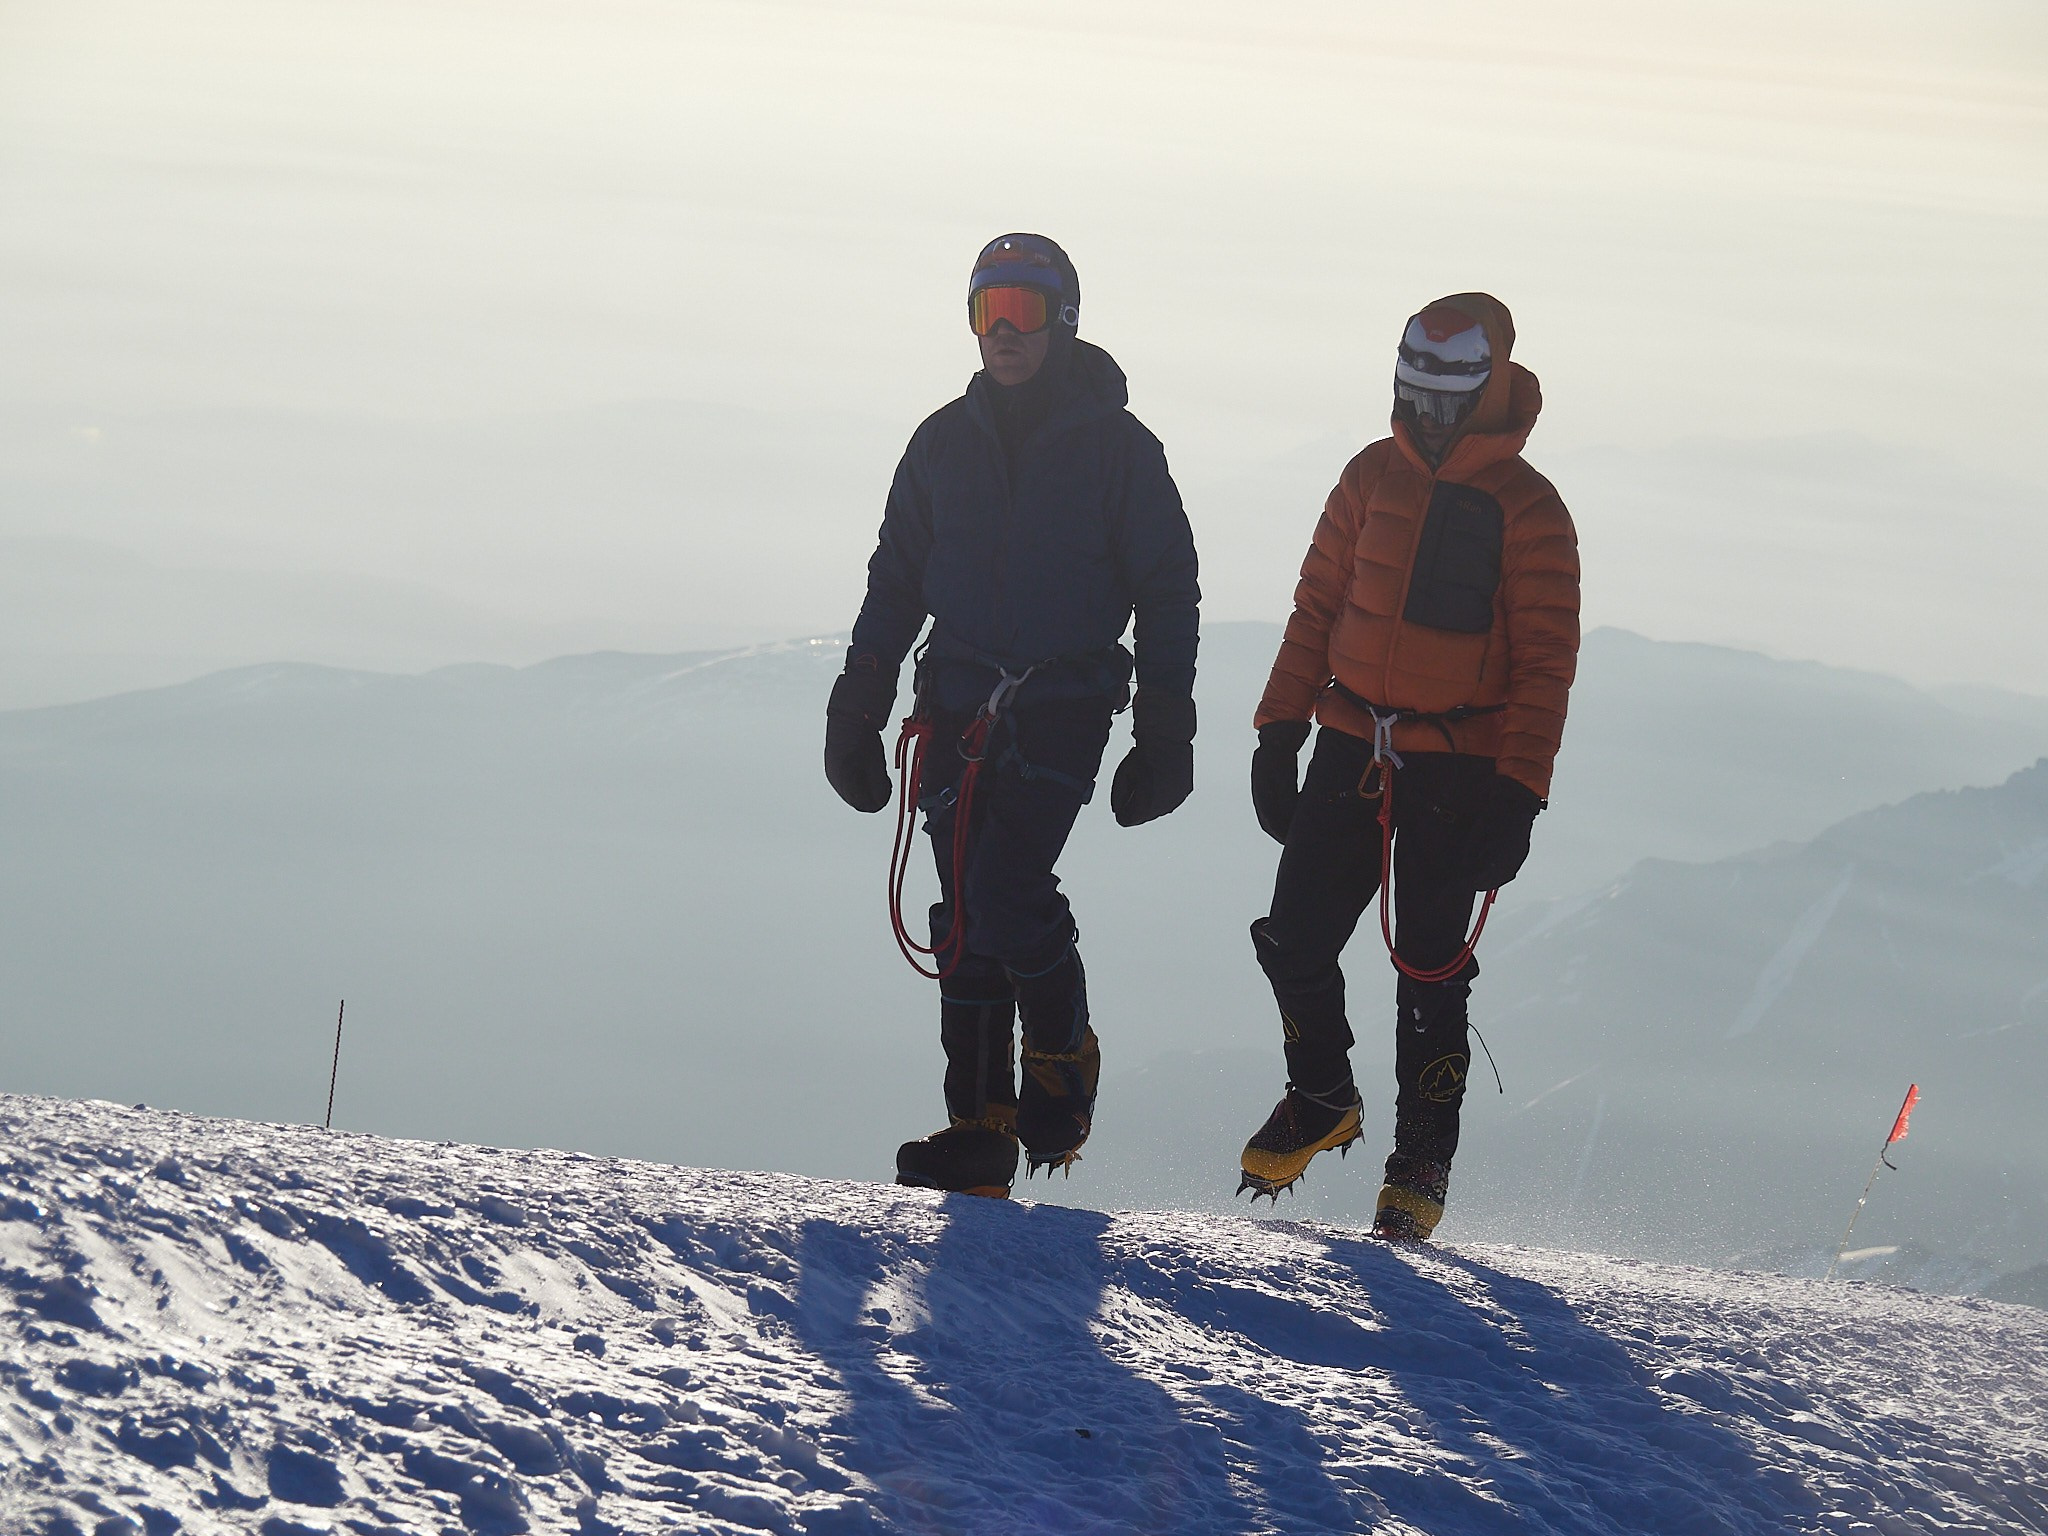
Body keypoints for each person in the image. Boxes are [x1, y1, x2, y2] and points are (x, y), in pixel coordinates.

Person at [824, 233, 1200, 1199]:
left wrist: (1164, 733)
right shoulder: (942, 443)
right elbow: (896, 578)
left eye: (1022, 310)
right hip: (953, 696)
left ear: (1063, 321)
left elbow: (1167, 590)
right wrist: (857, 705)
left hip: (1063, 700)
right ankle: (980, 1130)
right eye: (985, 308)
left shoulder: (1121, 451)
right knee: (962, 909)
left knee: (1001, 887)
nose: (1002, 330)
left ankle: (1064, 1056)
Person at [1238, 293, 1579, 1240]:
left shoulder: (1530, 511)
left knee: (1431, 966)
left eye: (1446, 397)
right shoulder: (1368, 477)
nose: (1426, 414)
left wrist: (1519, 795)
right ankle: (1321, 1094)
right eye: (1413, 392)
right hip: (1351, 743)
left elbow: (1546, 667)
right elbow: (1316, 607)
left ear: (1485, 391)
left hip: (1460, 769)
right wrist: (1279, 729)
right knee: (1294, 937)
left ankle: (1420, 1161)